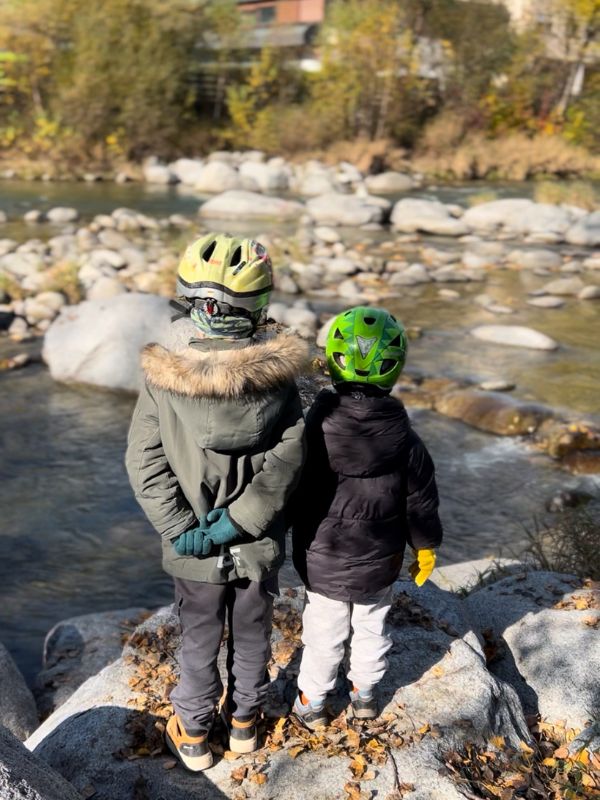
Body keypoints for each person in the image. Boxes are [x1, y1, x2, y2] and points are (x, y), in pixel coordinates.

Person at [126, 233, 308, 771]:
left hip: (192, 552)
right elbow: (290, 461)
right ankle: (247, 722)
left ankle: (195, 734)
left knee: (199, 633)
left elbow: (144, 462)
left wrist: (185, 529)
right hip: (255, 543)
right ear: (258, 307)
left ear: (190, 300)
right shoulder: (279, 382)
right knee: (253, 631)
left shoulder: (164, 379)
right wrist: (238, 522)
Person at [291, 305, 443, 729]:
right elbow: (422, 500)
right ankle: (365, 696)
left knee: (324, 631)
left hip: (321, 557)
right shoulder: (407, 440)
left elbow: (287, 487)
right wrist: (427, 546)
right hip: (381, 557)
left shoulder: (311, 429)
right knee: (373, 627)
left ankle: (312, 702)